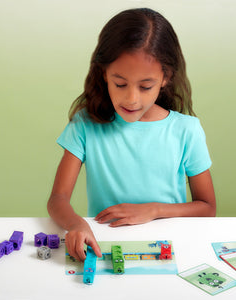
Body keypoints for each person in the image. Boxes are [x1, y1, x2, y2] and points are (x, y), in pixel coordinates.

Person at [47, 8, 216, 261]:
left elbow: (207, 208)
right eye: (120, 84)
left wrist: (153, 210)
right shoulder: (85, 123)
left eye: (145, 86)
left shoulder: (186, 130)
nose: (132, 99)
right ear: (104, 73)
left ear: (166, 77)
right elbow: (57, 199)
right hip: (105, 244)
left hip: (169, 249)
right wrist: (76, 224)